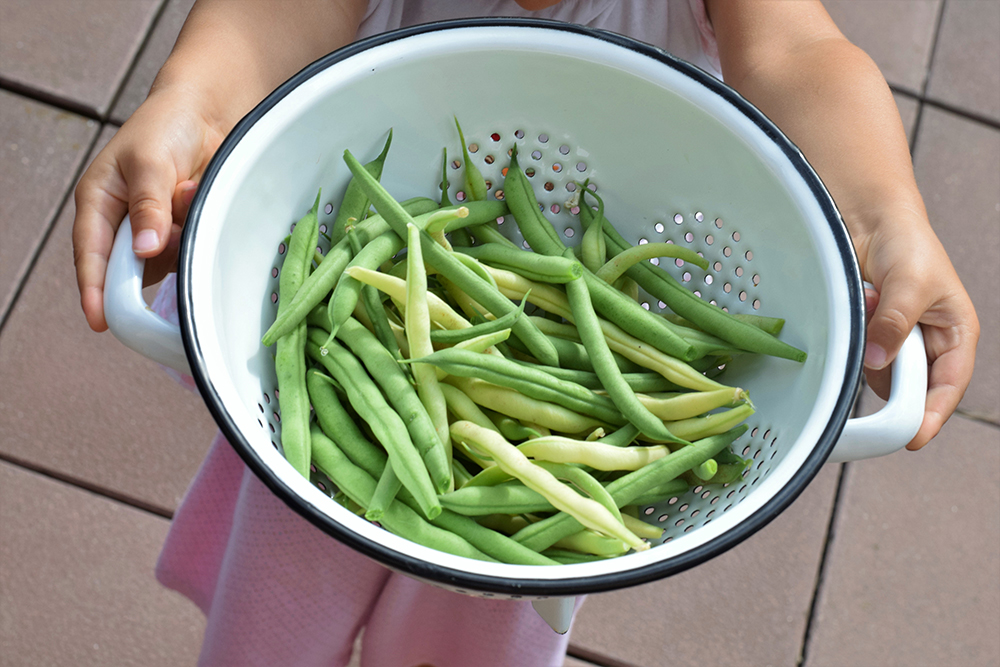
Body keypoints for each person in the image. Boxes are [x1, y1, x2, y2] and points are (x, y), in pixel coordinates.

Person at [71, 1, 980, 666]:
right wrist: (191, 96)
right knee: (280, 584)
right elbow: (264, 18)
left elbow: (801, 53)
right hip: (326, 387)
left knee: (478, 625)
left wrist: (887, 214)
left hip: (527, 505)